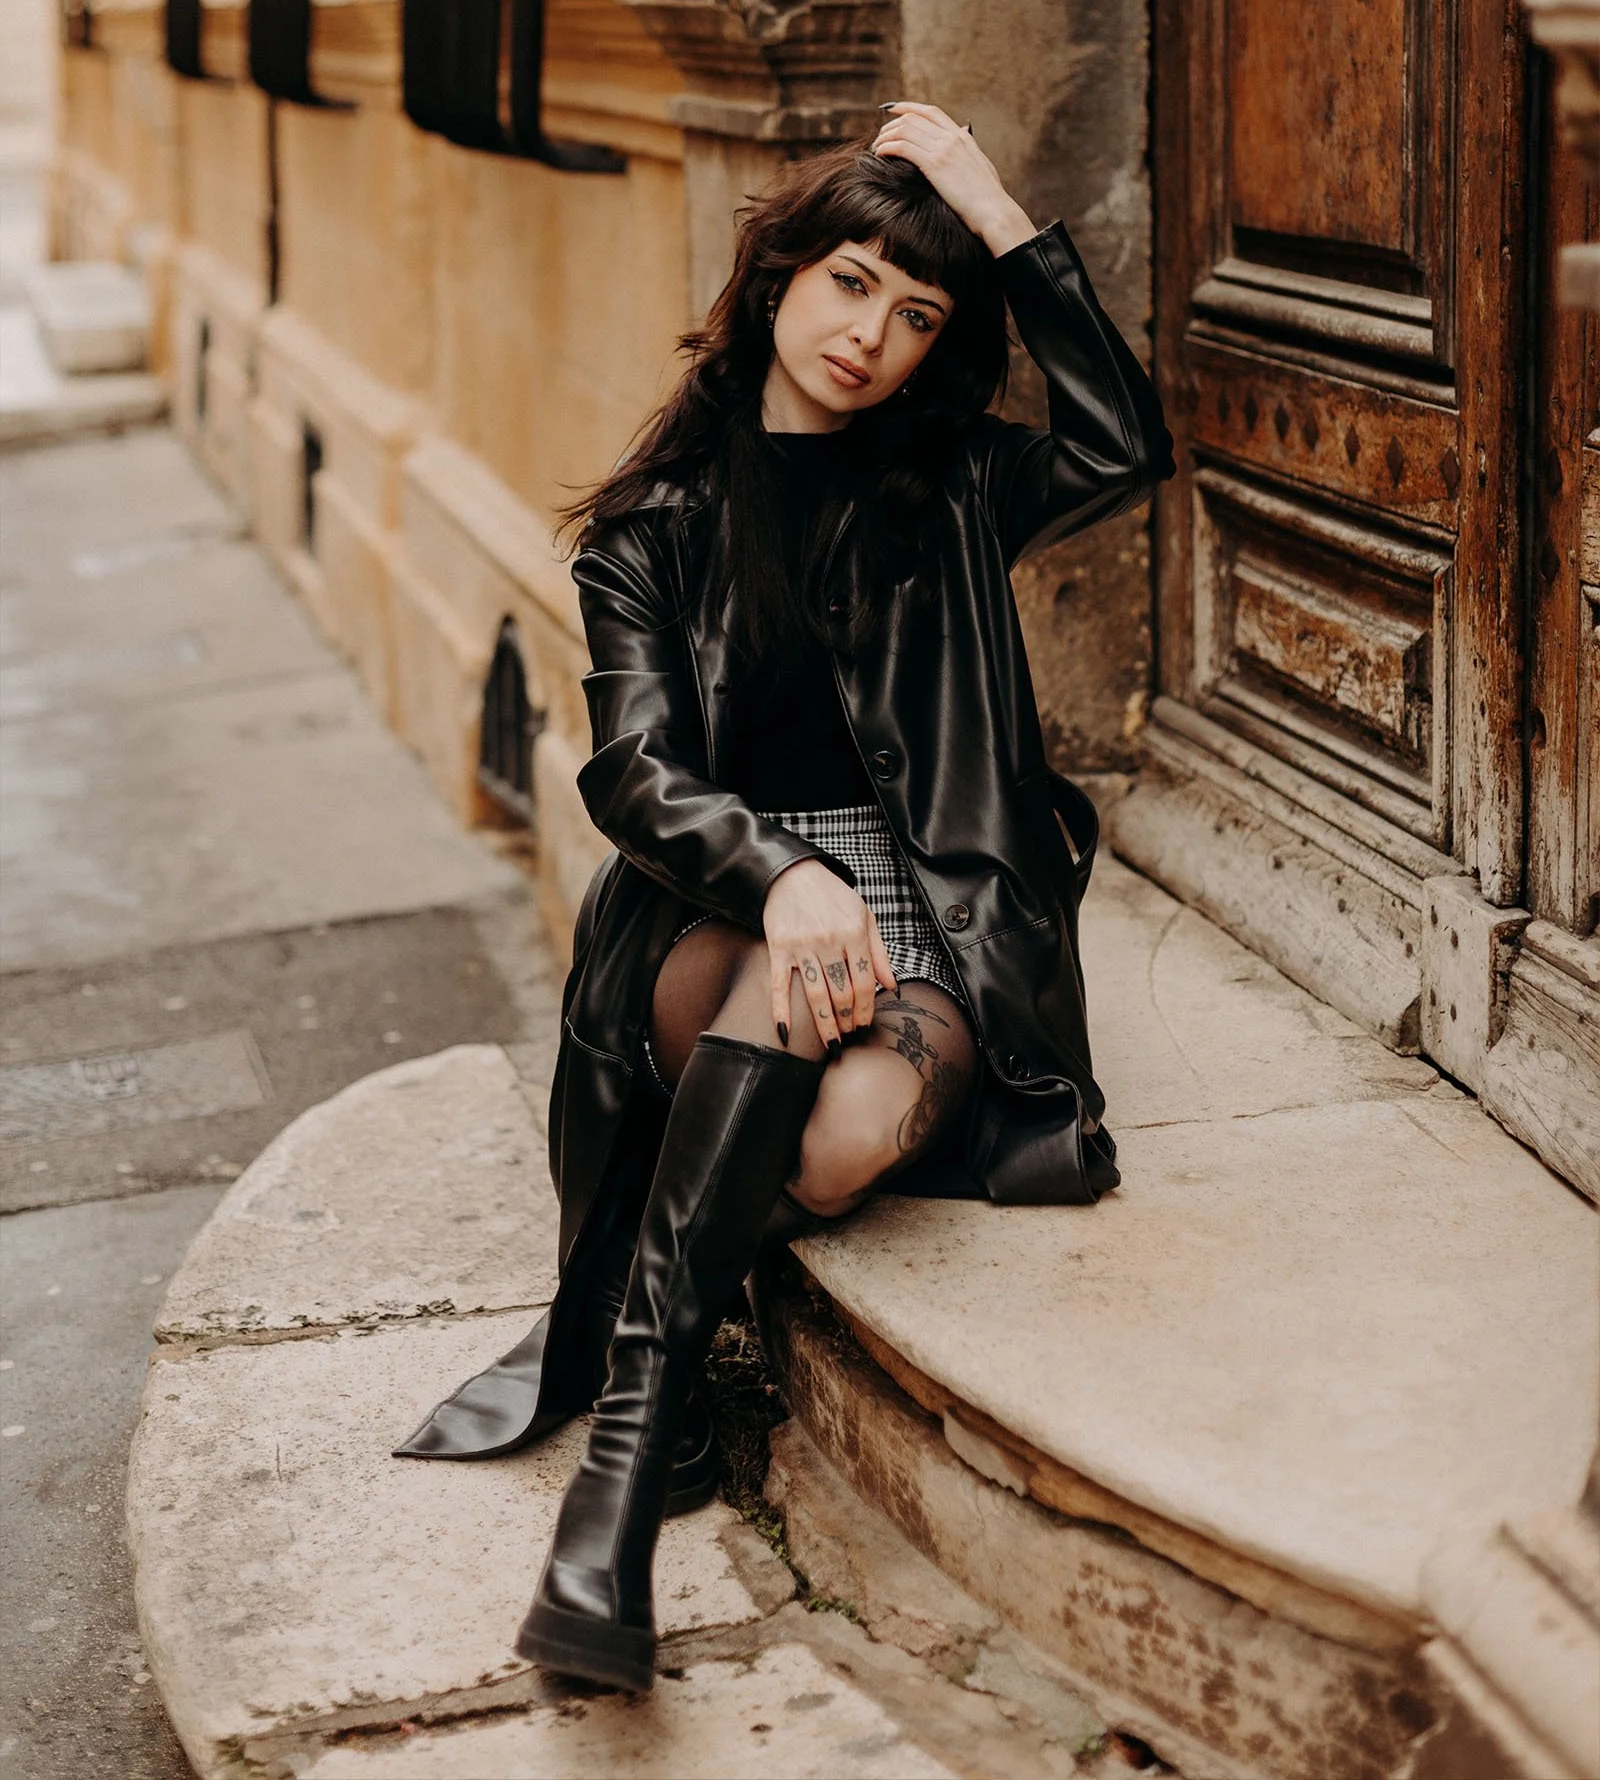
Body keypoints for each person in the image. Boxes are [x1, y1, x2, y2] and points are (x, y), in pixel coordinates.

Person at [395, 101, 1174, 1692]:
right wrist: (783, 874)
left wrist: (991, 203)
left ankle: (650, 1381)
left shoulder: (953, 486)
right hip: (720, 918)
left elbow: (1122, 444)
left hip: (930, 926)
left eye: (917, 314)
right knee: (772, 980)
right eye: (850, 282)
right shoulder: (650, 534)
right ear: (774, 283)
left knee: (829, 1152)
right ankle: (623, 1475)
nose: (871, 335)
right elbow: (633, 773)